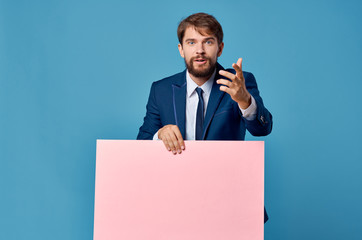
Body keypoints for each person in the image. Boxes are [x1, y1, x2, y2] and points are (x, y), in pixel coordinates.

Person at [137, 12, 272, 223]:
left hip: (231, 202)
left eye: (208, 42)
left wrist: (244, 100)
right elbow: (140, 145)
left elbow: (262, 128)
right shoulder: (160, 90)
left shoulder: (237, 83)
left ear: (220, 48)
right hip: (175, 203)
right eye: (191, 42)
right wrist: (159, 135)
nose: (199, 51)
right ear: (181, 49)